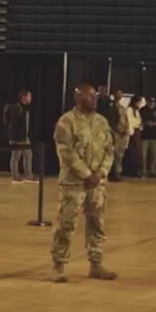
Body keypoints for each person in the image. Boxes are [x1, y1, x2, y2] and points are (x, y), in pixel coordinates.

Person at [50, 84, 117, 283]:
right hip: (74, 183)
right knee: (66, 223)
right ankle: (59, 264)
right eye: (90, 97)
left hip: (97, 184)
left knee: (97, 224)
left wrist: (101, 172)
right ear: (79, 99)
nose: (95, 100)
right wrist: (87, 174)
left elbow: (110, 150)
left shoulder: (102, 122)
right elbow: (66, 152)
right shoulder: (66, 122)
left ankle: (96, 264)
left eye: (95, 96)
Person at [3, 90, 34, 184]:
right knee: (16, 156)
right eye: (29, 96)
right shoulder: (17, 107)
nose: (30, 98)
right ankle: (15, 177)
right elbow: (13, 124)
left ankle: (29, 176)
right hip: (18, 138)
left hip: (25, 137)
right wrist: (15, 138)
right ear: (23, 97)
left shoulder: (25, 108)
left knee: (28, 155)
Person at [139, 97, 156, 177]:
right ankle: (143, 171)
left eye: (153, 102)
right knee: (143, 155)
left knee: (153, 155)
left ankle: (152, 170)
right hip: (144, 136)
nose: (152, 104)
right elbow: (139, 120)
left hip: (154, 136)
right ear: (147, 102)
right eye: (150, 102)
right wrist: (146, 123)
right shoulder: (142, 110)